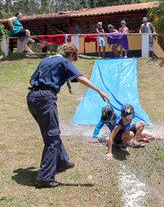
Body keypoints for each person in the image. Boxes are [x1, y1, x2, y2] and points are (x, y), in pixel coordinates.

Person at [27, 43, 110, 188]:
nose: (71, 62)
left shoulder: (45, 60)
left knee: (50, 132)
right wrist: (99, 91)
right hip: (45, 98)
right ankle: (44, 178)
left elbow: (30, 80)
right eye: (73, 59)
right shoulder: (64, 61)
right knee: (52, 136)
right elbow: (79, 77)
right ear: (70, 55)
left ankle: (62, 161)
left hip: (32, 97)